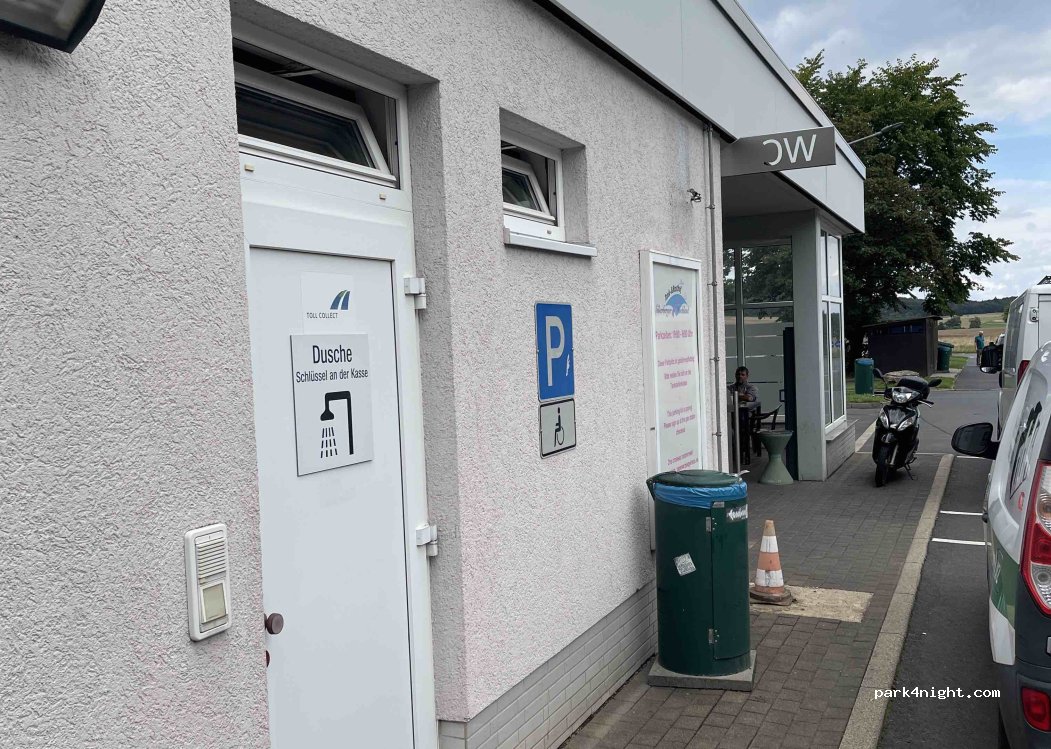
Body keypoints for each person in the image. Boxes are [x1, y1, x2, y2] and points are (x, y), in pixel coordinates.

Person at [730, 366, 760, 461]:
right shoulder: (730, 387)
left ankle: (742, 452)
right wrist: (742, 396)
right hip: (732, 415)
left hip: (747, 417)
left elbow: (750, 398)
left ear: (747, 376)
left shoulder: (751, 387)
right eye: (738, 374)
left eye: (742, 374)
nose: (740, 376)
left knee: (741, 425)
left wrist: (735, 395)